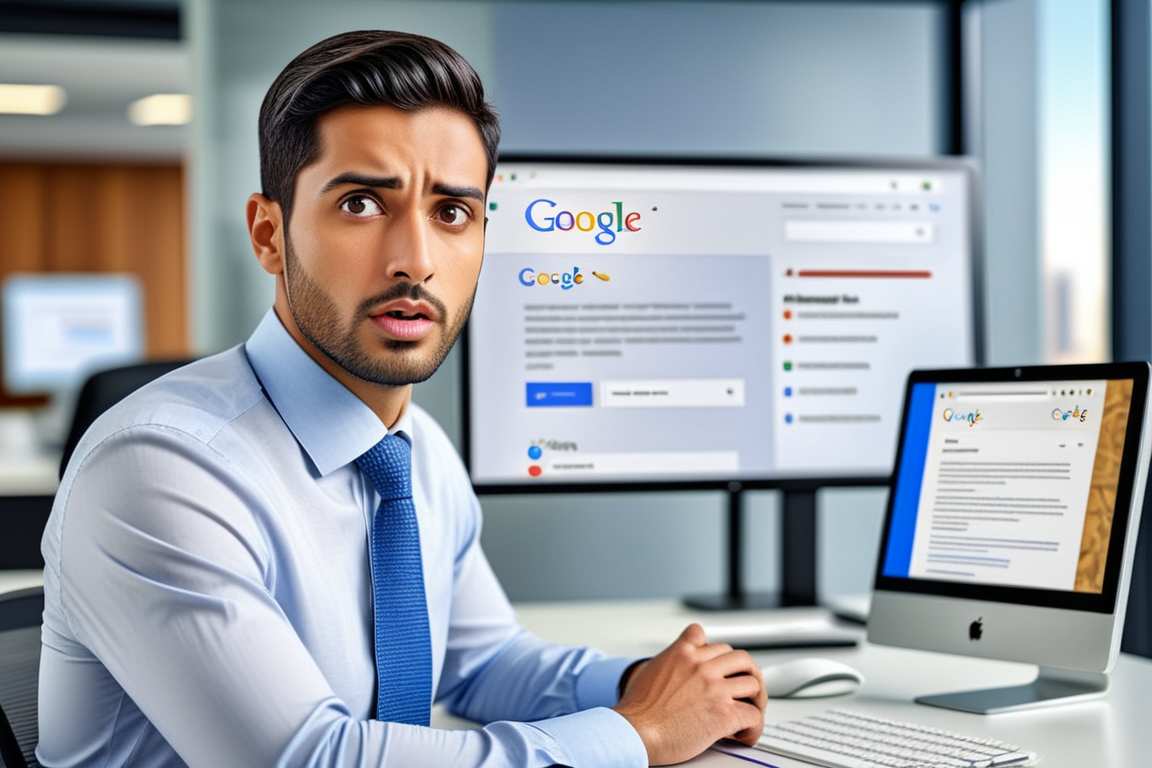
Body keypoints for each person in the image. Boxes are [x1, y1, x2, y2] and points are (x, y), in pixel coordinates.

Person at [37, 29, 767, 767]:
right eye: (361, 203)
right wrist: (639, 732)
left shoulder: (409, 453)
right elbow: (310, 759)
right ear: (268, 233)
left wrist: (653, 685)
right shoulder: (160, 469)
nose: (415, 261)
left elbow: (482, 664)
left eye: (452, 213)